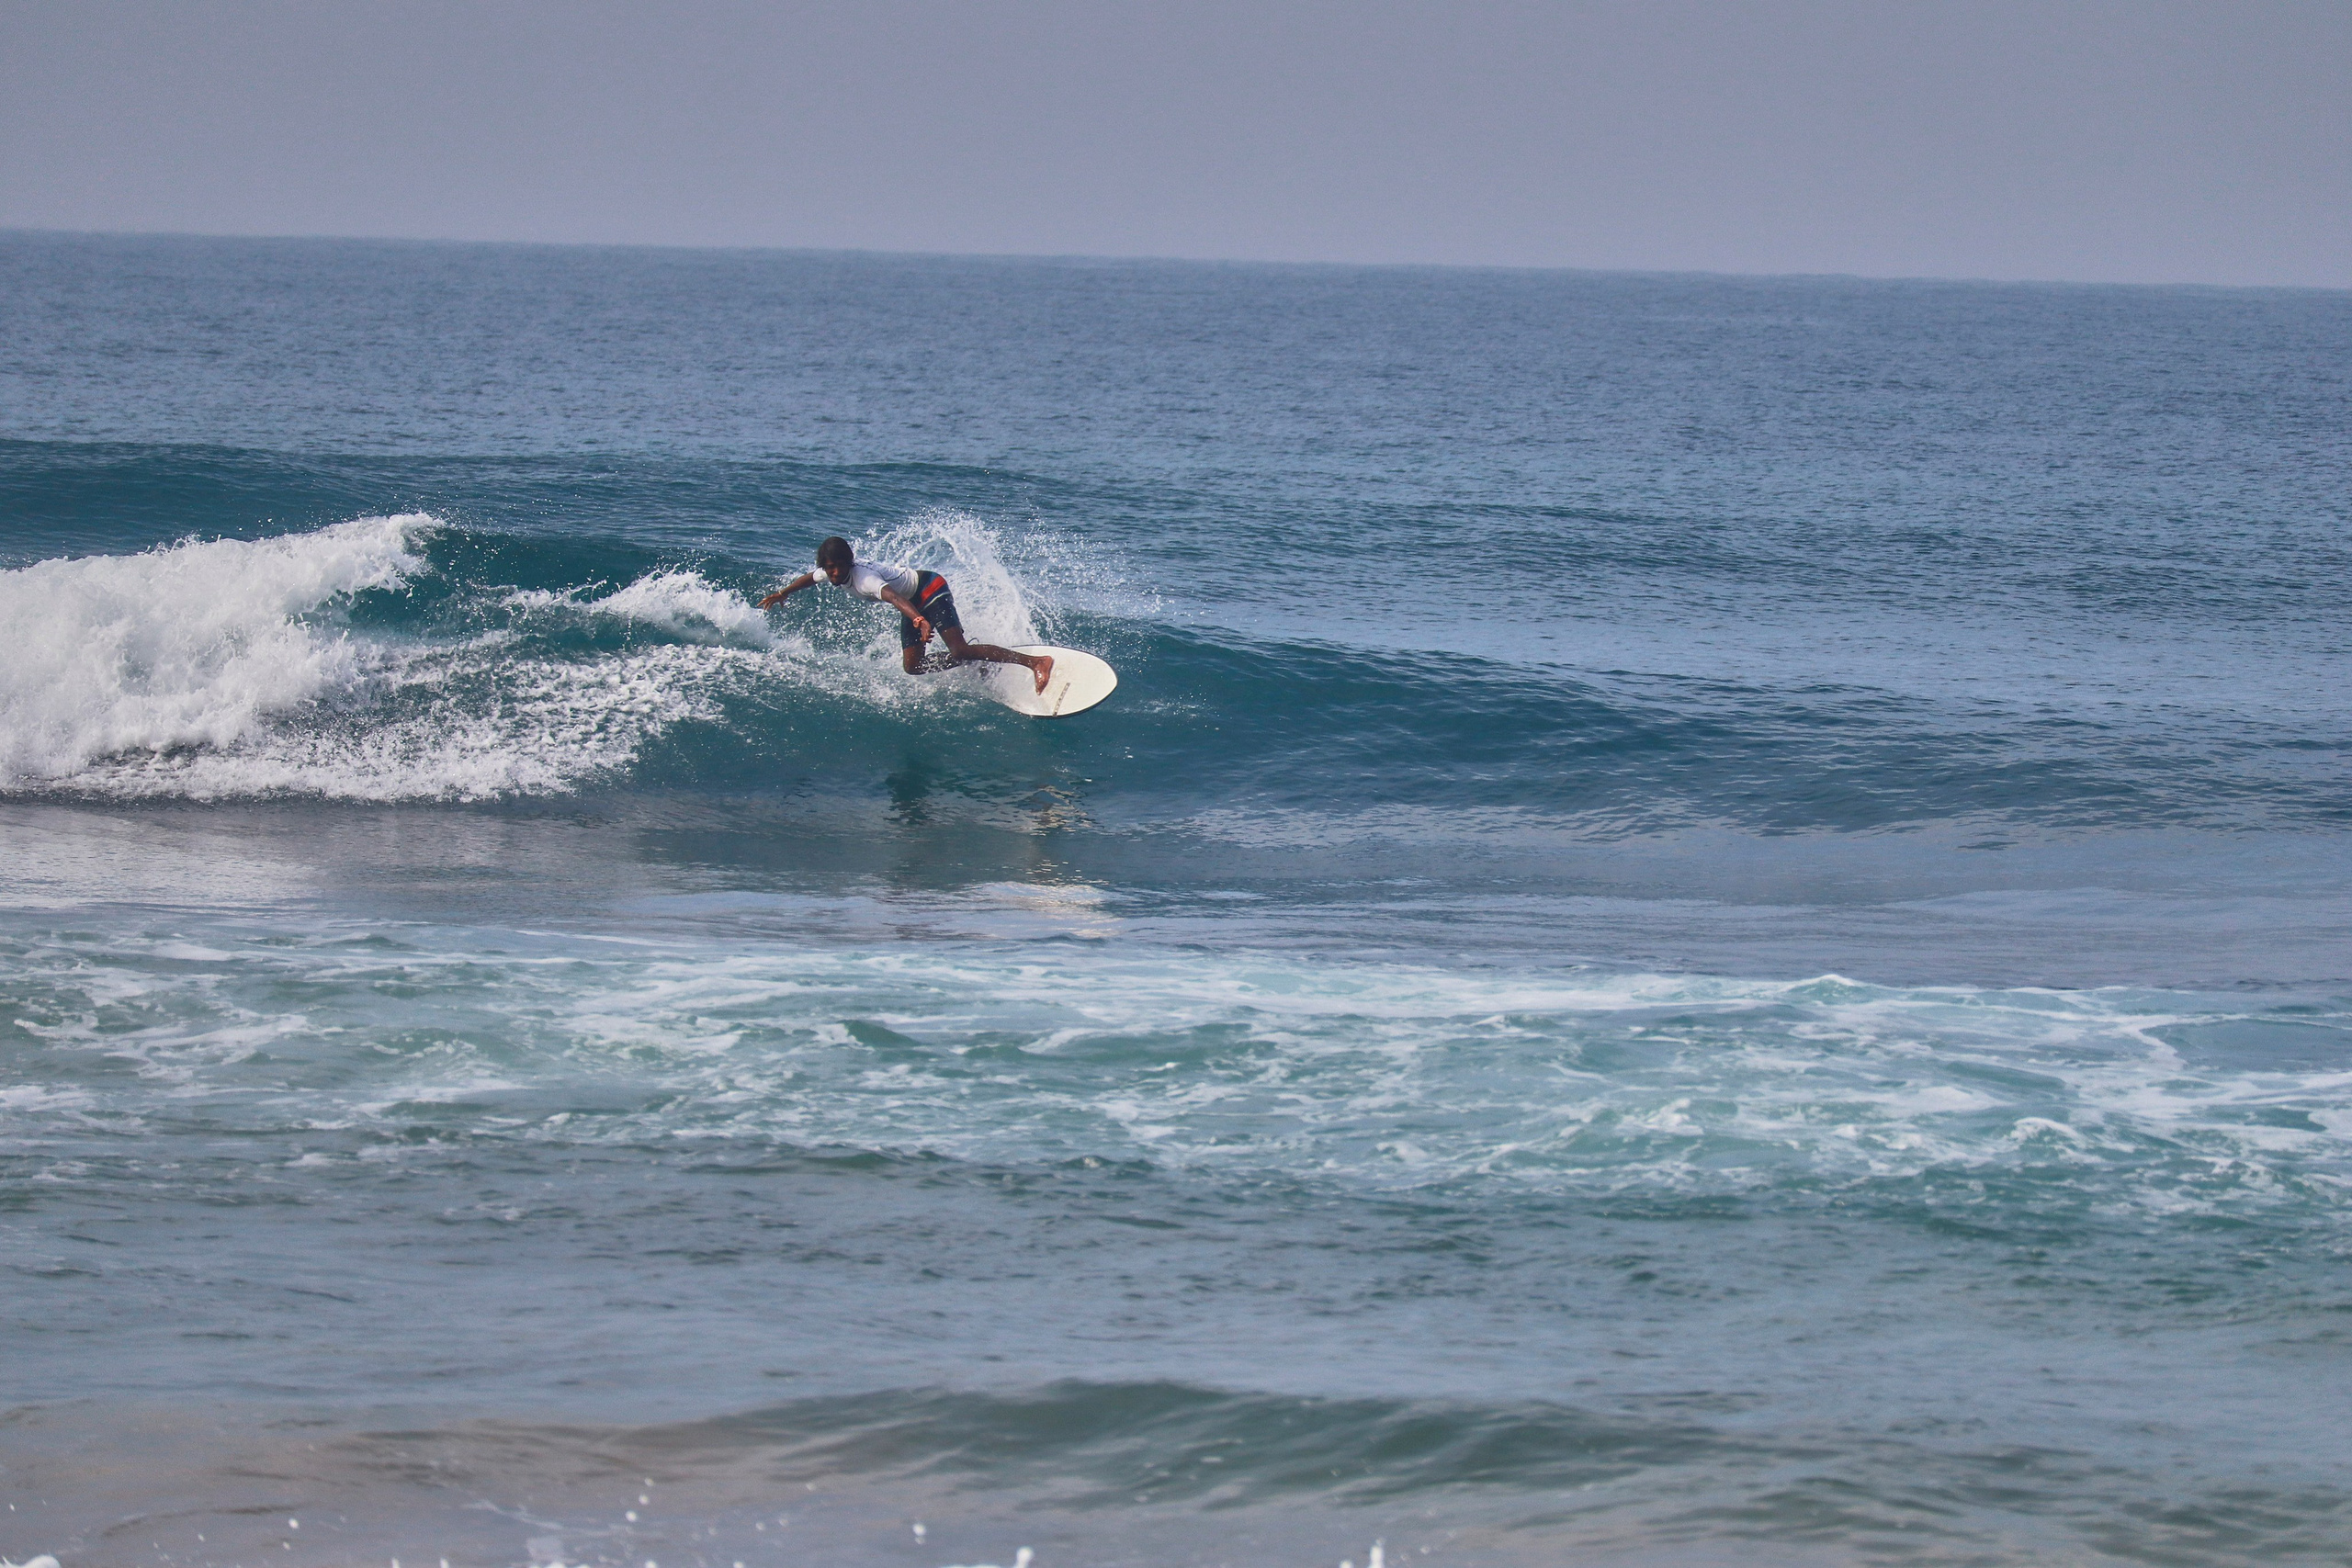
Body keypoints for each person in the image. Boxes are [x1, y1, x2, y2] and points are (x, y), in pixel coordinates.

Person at [761, 536, 1054, 692]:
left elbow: (893, 596)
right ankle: (973, 660)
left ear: (849, 563)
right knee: (913, 666)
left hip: (929, 588)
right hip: (913, 602)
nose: (833, 573)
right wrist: (784, 592)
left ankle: (1035, 662)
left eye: (837, 567)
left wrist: (917, 618)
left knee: (959, 648)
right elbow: (810, 578)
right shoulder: (830, 573)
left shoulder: (864, 579)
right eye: (829, 568)